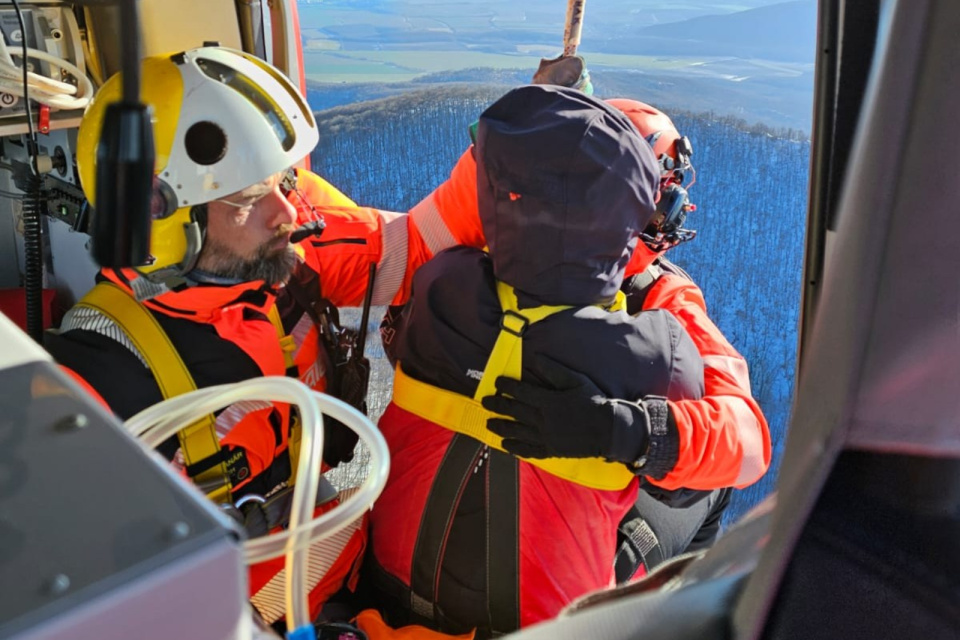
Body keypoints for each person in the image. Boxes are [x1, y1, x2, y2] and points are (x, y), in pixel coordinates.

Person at [43, 46, 437, 628]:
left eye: (283, 183)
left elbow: (420, 242)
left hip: (346, 569)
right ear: (165, 220)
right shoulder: (93, 388)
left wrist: (520, 148)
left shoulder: (280, 259)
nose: (287, 211)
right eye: (252, 199)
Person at [364, 85, 706, 637]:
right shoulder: (664, 354)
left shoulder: (438, 284)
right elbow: (708, 467)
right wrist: (623, 432)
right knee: (697, 487)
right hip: (542, 629)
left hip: (387, 589)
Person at [392, 97, 771, 580]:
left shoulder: (467, 267)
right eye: (665, 195)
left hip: (423, 541)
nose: (676, 209)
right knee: (711, 490)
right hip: (557, 580)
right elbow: (747, 445)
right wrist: (626, 433)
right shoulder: (662, 305)